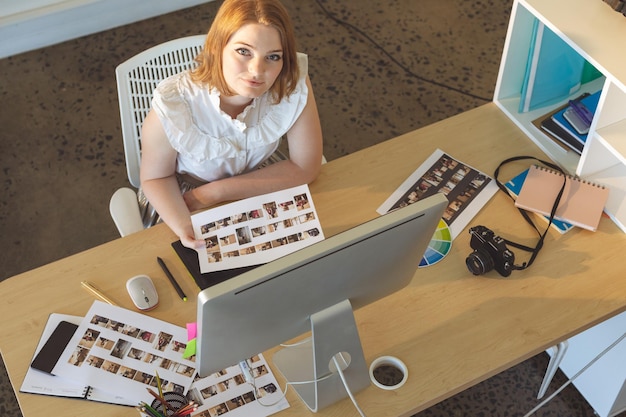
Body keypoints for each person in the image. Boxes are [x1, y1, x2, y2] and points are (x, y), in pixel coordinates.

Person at [140, 0, 324, 249]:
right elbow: (155, 178)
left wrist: (215, 193)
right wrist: (185, 226)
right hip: (181, 200)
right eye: (244, 51)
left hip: (253, 182)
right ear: (217, 47)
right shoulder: (175, 102)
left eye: (272, 56)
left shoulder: (292, 81)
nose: (257, 70)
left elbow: (305, 167)